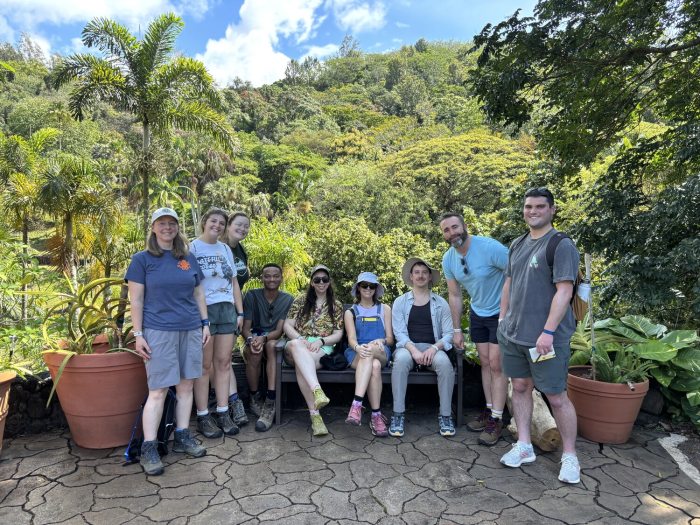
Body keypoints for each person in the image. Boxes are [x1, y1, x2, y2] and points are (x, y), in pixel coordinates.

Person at [497, 187, 581, 484]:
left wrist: (547, 331)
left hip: (546, 339)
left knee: (556, 397)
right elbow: (509, 282)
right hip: (514, 335)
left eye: (539, 207)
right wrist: (502, 317)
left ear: (552, 210)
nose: (532, 211)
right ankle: (524, 445)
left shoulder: (561, 245)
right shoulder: (517, 244)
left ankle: (570, 456)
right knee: (519, 387)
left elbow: (565, 290)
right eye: (528, 206)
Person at [126, 207, 210, 476]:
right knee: (159, 389)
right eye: (161, 223)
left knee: (186, 386)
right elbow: (135, 300)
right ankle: (149, 447)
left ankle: (183, 437)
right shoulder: (142, 260)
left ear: (177, 227)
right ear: (153, 228)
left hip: (190, 328)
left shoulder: (187, 257)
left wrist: (205, 323)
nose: (167, 228)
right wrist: (138, 335)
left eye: (171, 223)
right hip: (158, 331)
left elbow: (198, 293)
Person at [440, 213, 509, 445]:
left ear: (464, 226)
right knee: (486, 363)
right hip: (478, 314)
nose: (452, 233)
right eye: (446, 230)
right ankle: (490, 411)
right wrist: (457, 329)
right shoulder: (448, 259)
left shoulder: (490, 247)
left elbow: (517, 273)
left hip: (501, 314)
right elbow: (454, 294)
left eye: (455, 227)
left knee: (498, 364)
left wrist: (511, 309)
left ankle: (498, 420)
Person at [190, 208, 245, 439]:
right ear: (205, 222)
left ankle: (223, 411)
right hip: (204, 310)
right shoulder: (191, 248)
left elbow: (233, 283)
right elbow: (191, 284)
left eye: (221, 223)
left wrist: (240, 312)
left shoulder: (224, 249)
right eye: (213, 221)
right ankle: (203, 415)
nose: (217, 225)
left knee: (223, 363)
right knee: (204, 366)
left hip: (226, 309)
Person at [390, 257, 455, 438]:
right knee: (401, 360)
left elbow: (449, 333)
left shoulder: (441, 303)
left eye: (424, 272)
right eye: (417, 272)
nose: (420, 276)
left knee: (444, 364)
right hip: (408, 348)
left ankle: (446, 415)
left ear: (429, 277)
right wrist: (414, 351)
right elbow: (399, 334)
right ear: (411, 277)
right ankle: (398, 414)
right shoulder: (400, 302)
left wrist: (434, 349)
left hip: (433, 348)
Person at [283, 265, 344, 437]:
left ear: (329, 282)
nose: (321, 283)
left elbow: (339, 334)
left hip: (322, 346)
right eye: (317, 280)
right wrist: (300, 339)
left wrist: (321, 340)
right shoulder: (301, 300)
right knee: (296, 347)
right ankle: (317, 390)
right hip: (299, 343)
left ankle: (315, 417)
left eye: (324, 279)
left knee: (302, 366)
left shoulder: (336, 305)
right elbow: (287, 325)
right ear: (311, 282)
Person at [241, 263, 294, 432]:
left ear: (281, 278)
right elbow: (245, 328)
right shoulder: (251, 296)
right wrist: (251, 340)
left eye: (275, 276)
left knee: (271, 346)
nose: (272, 279)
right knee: (254, 352)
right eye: (268, 276)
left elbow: (279, 331)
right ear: (262, 278)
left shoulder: (287, 299)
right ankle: (255, 397)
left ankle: (271, 400)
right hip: (253, 338)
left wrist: (263, 338)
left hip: (272, 340)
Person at [343, 272, 394, 437]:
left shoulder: (384, 309)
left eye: (372, 286)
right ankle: (376, 416)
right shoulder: (351, 312)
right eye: (364, 285)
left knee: (372, 353)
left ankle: (356, 405)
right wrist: (358, 347)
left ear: (376, 289)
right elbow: (351, 339)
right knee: (375, 366)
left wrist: (381, 340)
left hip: (380, 350)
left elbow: (390, 339)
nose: (368, 289)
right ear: (358, 287)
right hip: (357, 352)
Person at [223, 211, 251, 422]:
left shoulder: (240, 250)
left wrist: (240, 311)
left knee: (223, 360)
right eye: (238, 225)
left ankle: (231, 402)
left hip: (233, 310)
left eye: (246, 226)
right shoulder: (218, 247)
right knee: (218, 361)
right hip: (216, 310)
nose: (242, 229)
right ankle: (231, 403)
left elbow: (237, 285)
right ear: (229, 224)